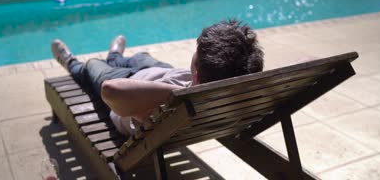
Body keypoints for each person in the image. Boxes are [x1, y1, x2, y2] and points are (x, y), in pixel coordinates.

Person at [51, 19, 264, 135]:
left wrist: (186, 93)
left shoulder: (167, 108)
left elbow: (110, 89)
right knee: (142, 56)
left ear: (197, 74)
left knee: (92, 66)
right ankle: (115, 56)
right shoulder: (231, 91)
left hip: (131, 81)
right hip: (161, 72)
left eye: (195, 52)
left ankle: (71, 61)